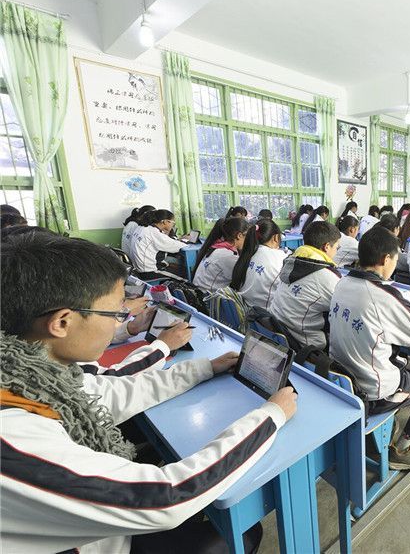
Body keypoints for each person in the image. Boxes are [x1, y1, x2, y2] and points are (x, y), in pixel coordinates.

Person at [0, 232, 297, 554]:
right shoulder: (13, 436)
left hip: (96, 529)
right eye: (115, 314)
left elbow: (116, 390)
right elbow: (167, 499)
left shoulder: (33, 377)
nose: (119, 323)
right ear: (61, 322)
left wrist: (205, 368)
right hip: (98, 545)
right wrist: (270, 416)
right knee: (243, 532)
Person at [329, 226, 410, 470]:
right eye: (396, 259)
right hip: (374, 392)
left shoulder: (343, 283)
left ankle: (388, 430)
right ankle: (405, 446)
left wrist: (408, 298)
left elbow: (378, 307)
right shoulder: (384, 296)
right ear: (386, 259)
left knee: (401, 359)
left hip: (343, 380)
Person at [269, 221, 341, 349]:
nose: (336, 252)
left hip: (278, 332)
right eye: (336, 247)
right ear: (326, 247)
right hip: (305, 345)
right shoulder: (328, 277)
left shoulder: (290, 262)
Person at [231, 219, 288, 310]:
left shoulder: (248, 254)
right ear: (276, 237)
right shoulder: (280, 257)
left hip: (244, 309)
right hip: (265, 314)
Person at [192, 217, 251, 291]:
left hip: (198, 292)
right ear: (239, 235)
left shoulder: (217, 247)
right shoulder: (229, 256)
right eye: (247, 237)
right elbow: (244, 281)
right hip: (207, 296)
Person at [128, 209, 186, 279]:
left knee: (174, 268)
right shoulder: (152, 232)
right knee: (183, 277)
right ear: (165, 222)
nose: (173, 225)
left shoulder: (141, 228)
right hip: (148, 272)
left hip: (138, 270)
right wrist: (187, 244)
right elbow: (177, 246)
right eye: (173, 223)